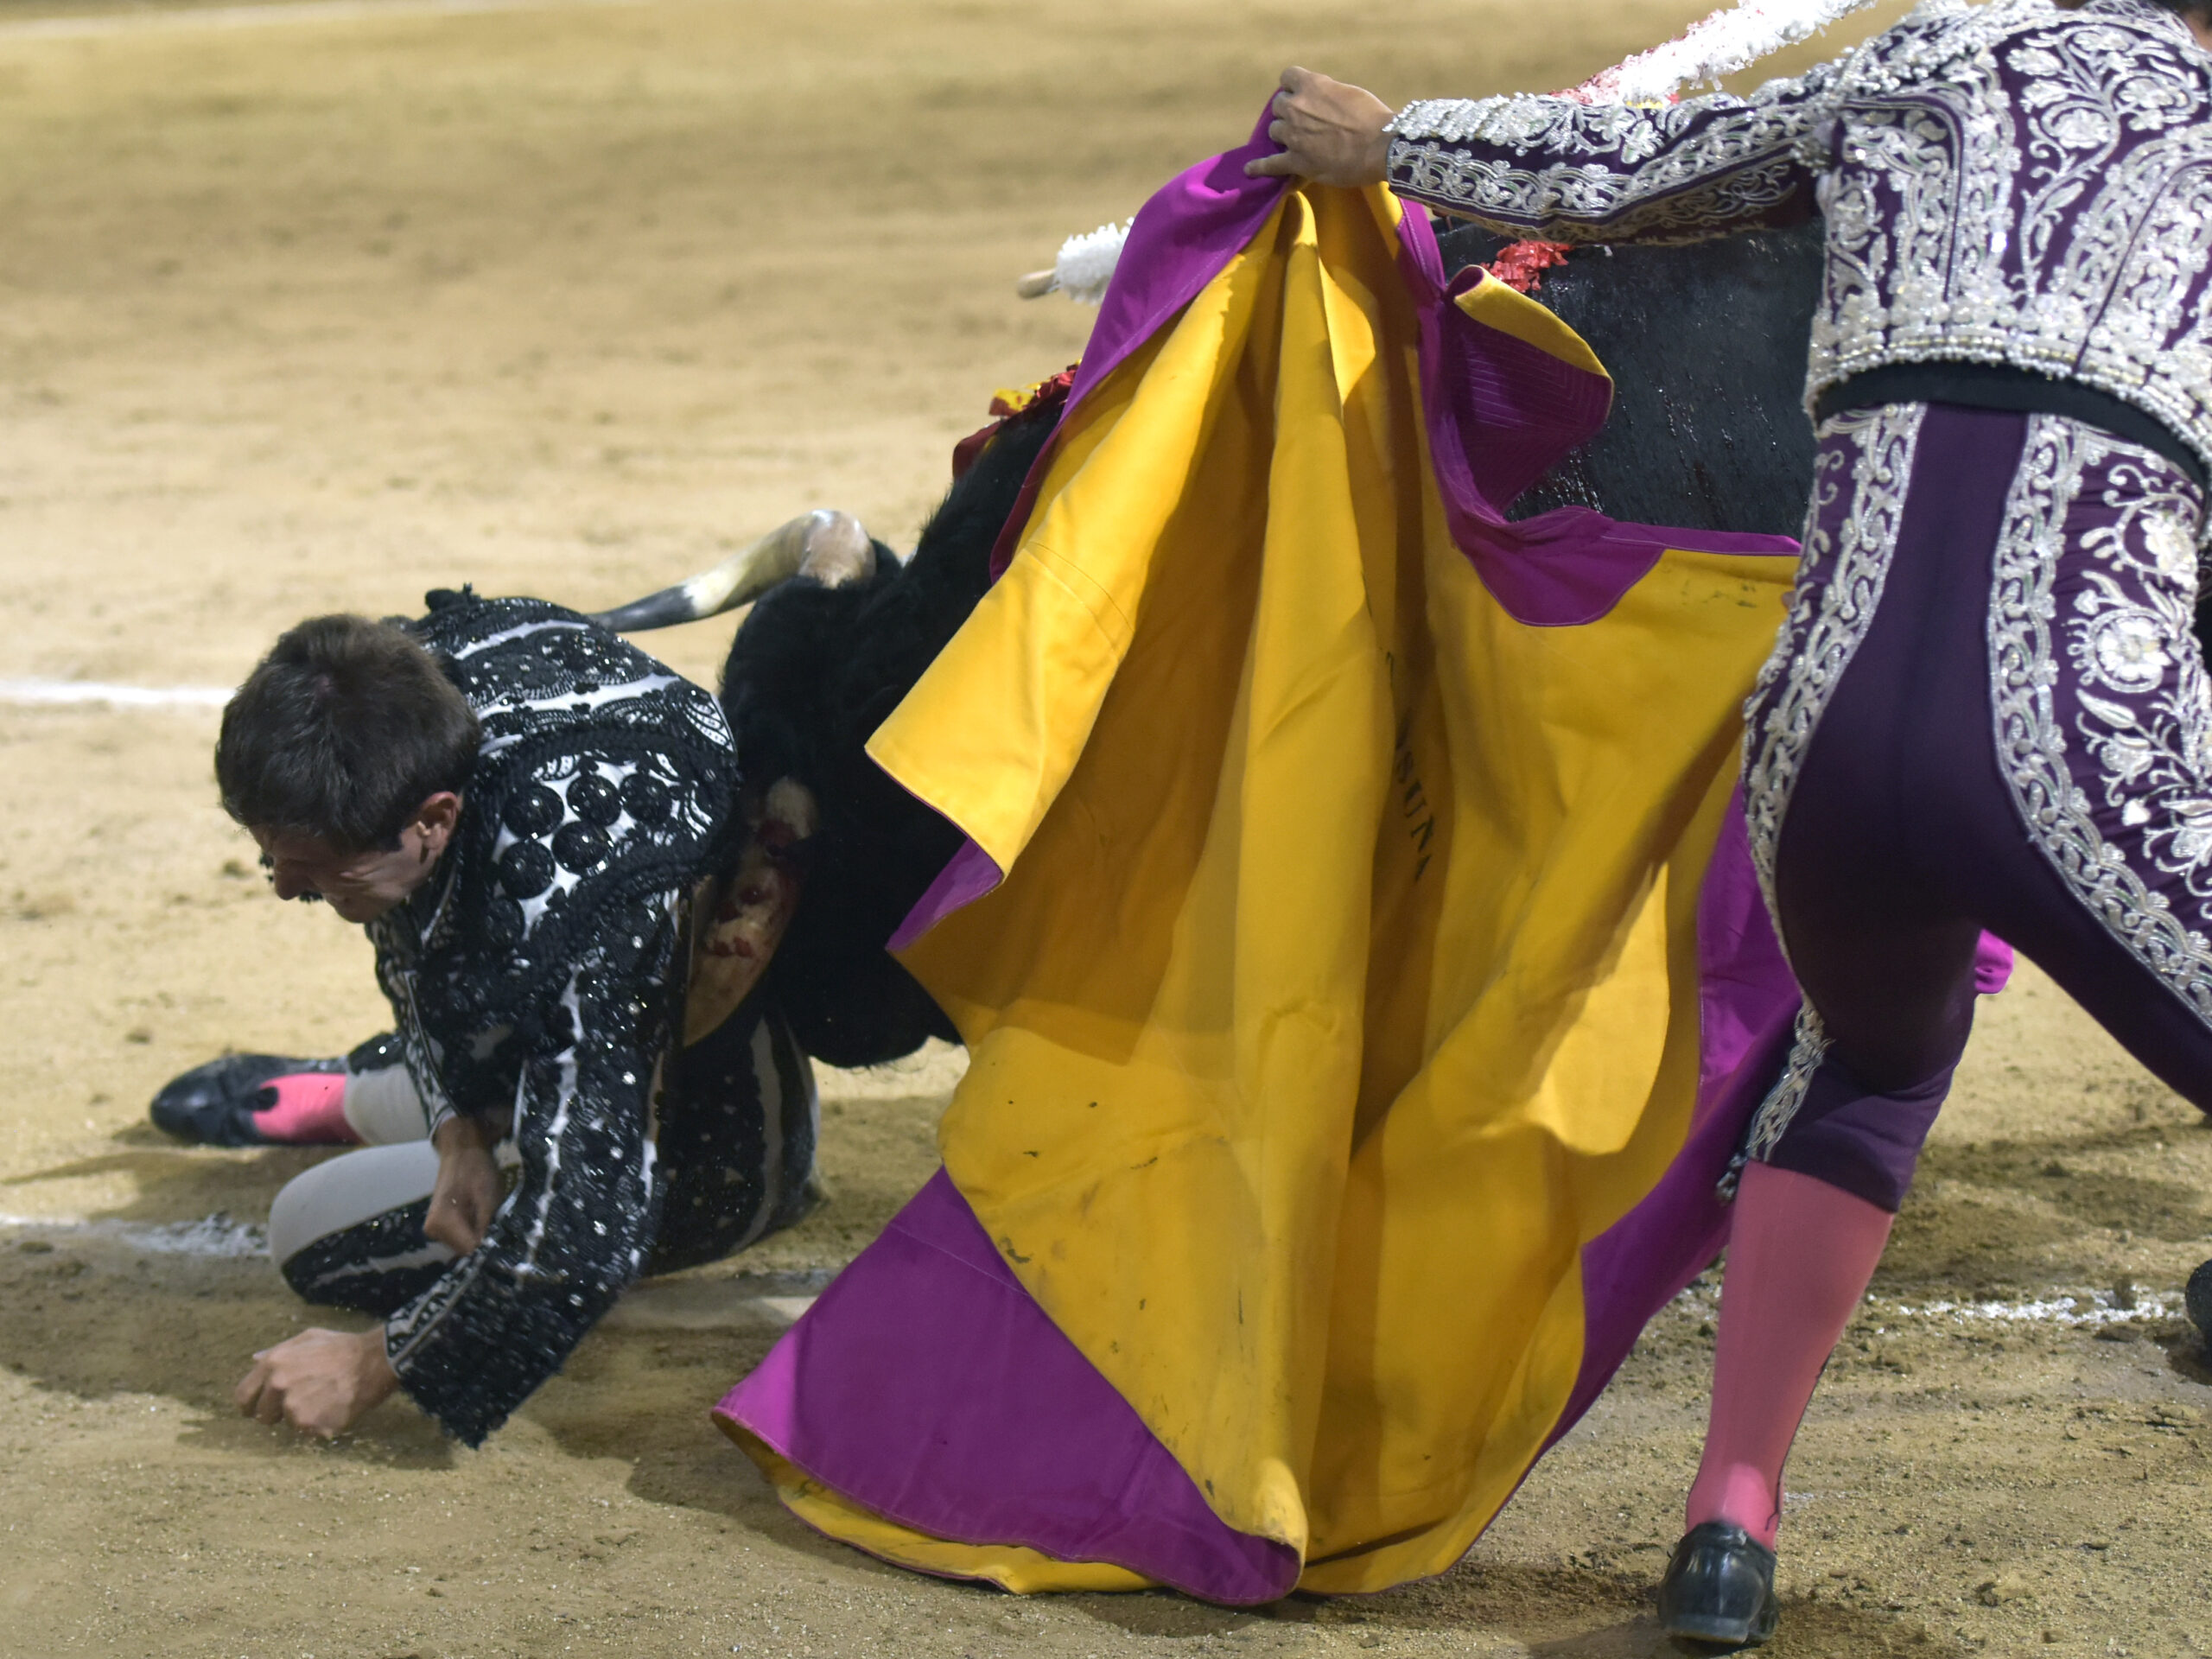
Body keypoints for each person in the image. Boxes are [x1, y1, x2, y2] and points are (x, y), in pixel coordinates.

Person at [1255, 0, 2212, 1643]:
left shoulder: (1931, 61)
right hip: (2076, 747)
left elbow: (1630, 165)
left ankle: (1729, 1522)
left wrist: (1384, 137)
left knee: (1873, 1063)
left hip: (1821, 725)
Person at [210, 596, 817, 1444]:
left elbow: (591, 1219)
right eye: (274, 856)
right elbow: (408, 925)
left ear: (436, 819)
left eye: (314, 871)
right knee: (445, 981)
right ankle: (379, 1100)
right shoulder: (399, 691)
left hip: (714, 1142)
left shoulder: (580, 891)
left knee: (304, 1232)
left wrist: (377, 1362)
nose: (280, 886)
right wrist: (457, 1129)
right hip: (560, 1012)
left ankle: (390, 1101)